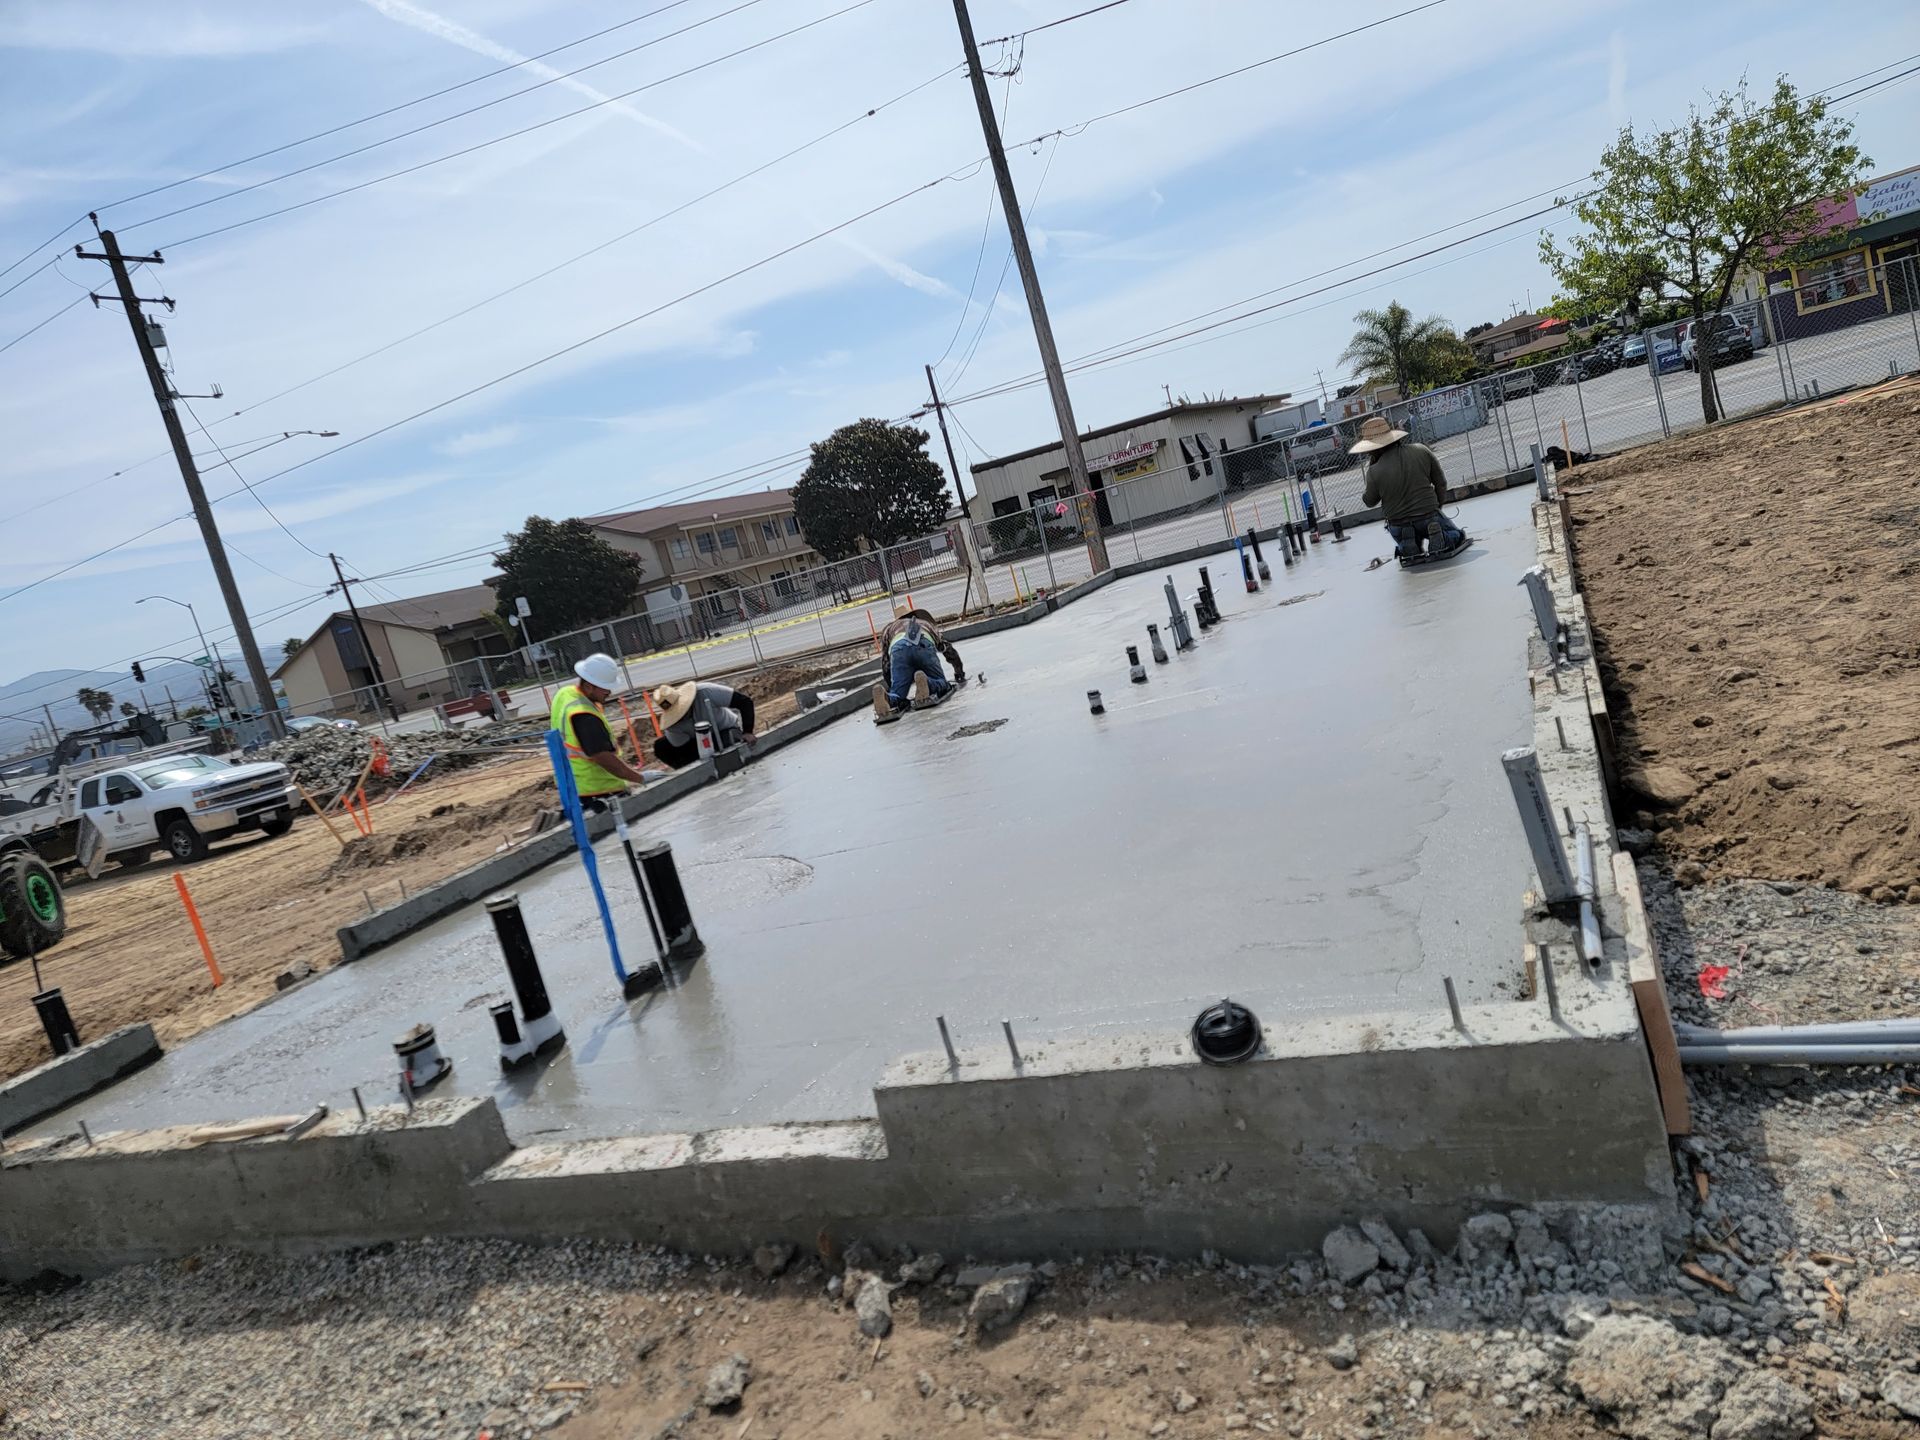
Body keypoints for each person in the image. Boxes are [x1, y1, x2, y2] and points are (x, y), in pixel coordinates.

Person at [1353, 415, 1466, 557]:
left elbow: (1369, 501)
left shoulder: (1373, 471)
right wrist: (1436, 508)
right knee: (1457, 535)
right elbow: (1441, 483)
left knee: (1402, 533)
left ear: (1370, 449)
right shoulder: (1421, 450)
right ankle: (1443, 538)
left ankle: (1406, 543)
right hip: (1428, 516)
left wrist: (1373, 472)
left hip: (1397, 523)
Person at [549, 653, 651, 807]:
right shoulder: (584, 716)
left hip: (573, 787)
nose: (609, 693)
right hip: (598, 791)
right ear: (589, 686)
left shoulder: (565, 694)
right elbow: (602, 757)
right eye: (605, 689)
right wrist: (640, 778)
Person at [873, 604, 964, 719]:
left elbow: (886, 664)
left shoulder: (889, 629)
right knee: (942, 683)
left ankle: (889, 698)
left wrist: (892, 687)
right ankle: (927, 682)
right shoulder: (924, 623)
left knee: (898, 694)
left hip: (898, 649)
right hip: (923, 644)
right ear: (914, 614)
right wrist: (958, 671)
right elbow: (947, 649)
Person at [650, 680, 756, 769]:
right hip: (696, 742)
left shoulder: (705, 691)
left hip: (725, 729)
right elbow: (684, 748)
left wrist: (747, 731)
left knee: (728, 745)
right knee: (661, 746)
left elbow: (744, 702)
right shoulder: (672, 727)